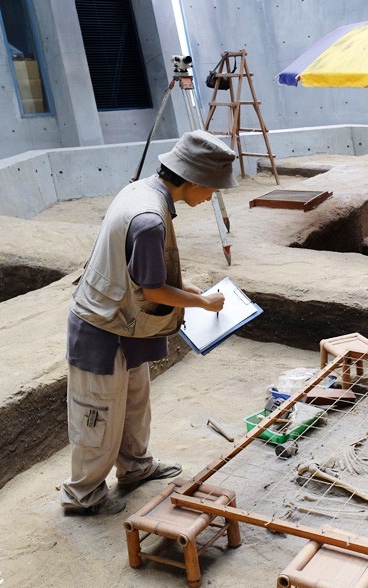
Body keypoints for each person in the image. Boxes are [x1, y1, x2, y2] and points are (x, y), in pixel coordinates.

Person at [60, 130, 236, 516]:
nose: (210, 198)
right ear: (193, 180)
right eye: (211, 190)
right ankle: (83, 495)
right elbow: (153, 290)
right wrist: (202, 302)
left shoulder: (144, 190)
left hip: (126, 323)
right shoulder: (150, 219)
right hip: (102, 329)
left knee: (135, 404)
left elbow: (144, 273)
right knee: (99, 415)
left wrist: (190, 289)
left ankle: (136, 468)